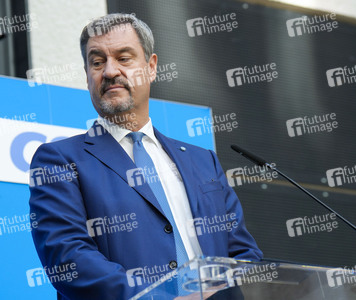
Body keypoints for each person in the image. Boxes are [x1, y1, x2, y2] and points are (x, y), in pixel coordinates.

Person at [29, 13, 262, 300]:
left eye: (124, 58)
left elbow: (243, 255)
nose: (110, 71)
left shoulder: (204, 162)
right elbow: (67, 259)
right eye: (97, 61)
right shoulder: (59, 160)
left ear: (151, 68)